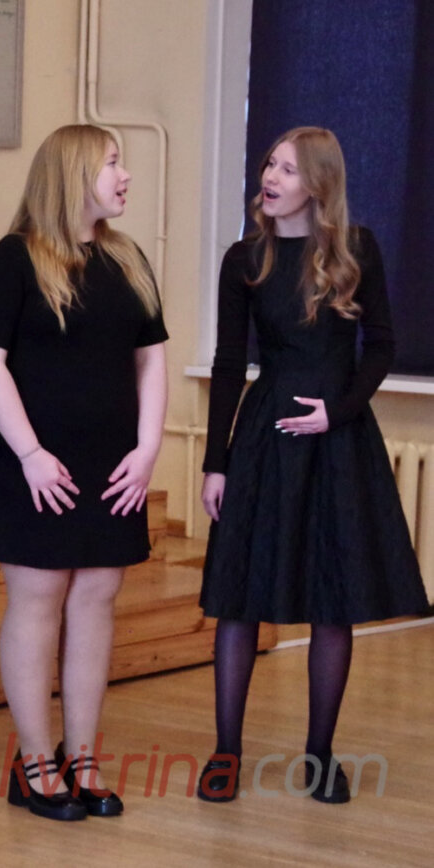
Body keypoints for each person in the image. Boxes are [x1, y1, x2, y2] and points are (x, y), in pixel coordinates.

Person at [197, 126, 427, 804]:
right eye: (270, 164)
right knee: (239, 598)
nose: (270, 177)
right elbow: (227, 365)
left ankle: (320, 756)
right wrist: (215, 463)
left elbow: (381, 345)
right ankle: (226, 752)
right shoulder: (244, 259)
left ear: (318, 184)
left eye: (288, 169)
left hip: (337, 440)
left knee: (334, 599)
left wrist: (339, 411)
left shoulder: (358, 249)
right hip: (265, 438)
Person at [0, 124, 168, 822]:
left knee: (97, 597)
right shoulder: (13, 260)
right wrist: (30, 454)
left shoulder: (126, 258)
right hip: (31, 464)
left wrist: (147, 448)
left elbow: (151, 359)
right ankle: (36, 760)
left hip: (111, 464)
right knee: (39, 598)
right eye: (112, 164)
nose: (124, 176)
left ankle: (82, 756)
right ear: (74, 175)